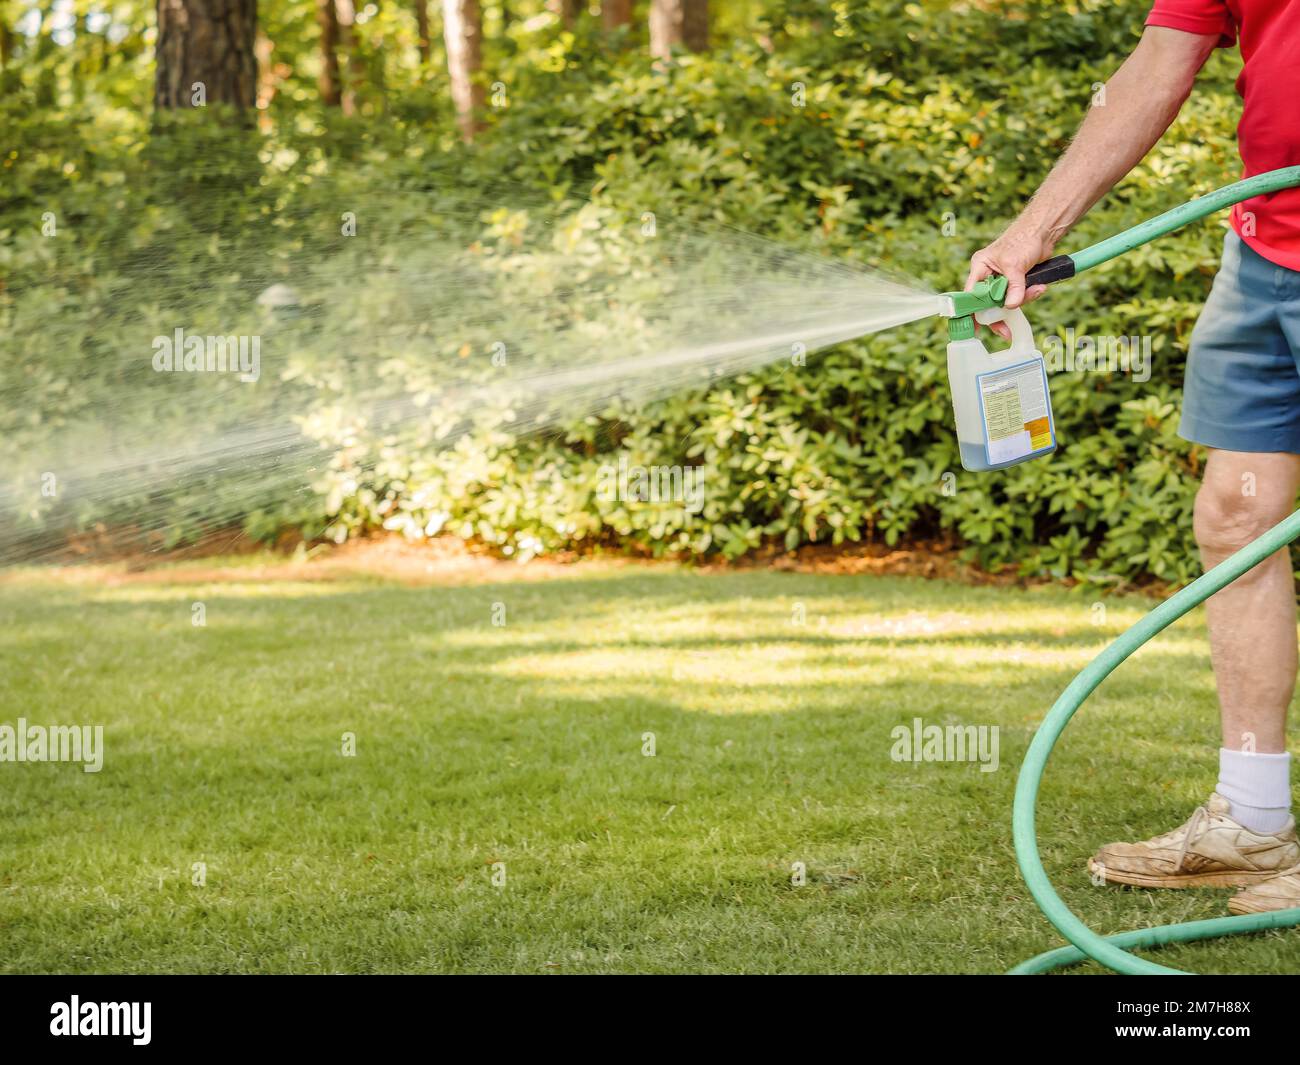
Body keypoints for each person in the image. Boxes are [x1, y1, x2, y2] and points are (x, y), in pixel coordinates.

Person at [967, 1, 1300, 914]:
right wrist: (1033, 232)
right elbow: (1159, 62)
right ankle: (1253, 818)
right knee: (1237, 517)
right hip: (1265, 251)